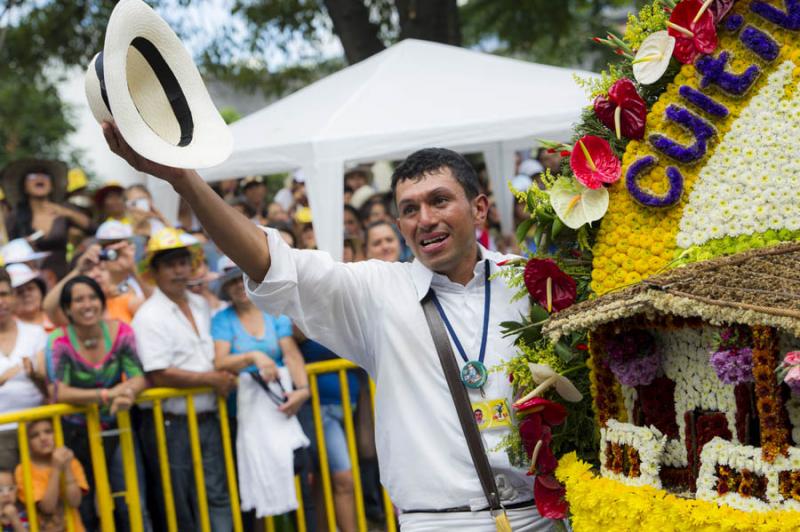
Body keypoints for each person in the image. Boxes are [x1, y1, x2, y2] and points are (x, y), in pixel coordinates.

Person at [103, 124, 549, 530]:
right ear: (399, 225)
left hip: (542, 515)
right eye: (409, 209)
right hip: (437, 522)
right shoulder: (378, 290)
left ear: (479, 208)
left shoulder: (535, 281)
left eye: (439, 200)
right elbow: (273, 264)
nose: (425, 219)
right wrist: (185, 180)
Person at [131, 228, 235, 532]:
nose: (179, 270)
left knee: (218, 492)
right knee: (180, 501)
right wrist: (212, 379)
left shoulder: (203, 303)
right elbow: (158, 372)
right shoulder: (149, 316)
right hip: (171, 422)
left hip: (209, 415)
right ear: (155, 271)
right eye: (170, 264)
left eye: (183, 262)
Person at [45, 275, 149, 531]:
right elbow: (59, 390)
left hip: (118, 424)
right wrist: (105, 395)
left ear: (102, 302)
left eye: (92, 297)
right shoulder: (59, 340)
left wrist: (127, 392)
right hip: (75, 433)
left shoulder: (122, 331)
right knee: (86, 507)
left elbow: (138, 376)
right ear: (67, 308)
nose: (87, 304)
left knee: (133, 502)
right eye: (78, 300)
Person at [212, 256, 310, 518]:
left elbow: (290, 351)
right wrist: (253, 357)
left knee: (294, 471)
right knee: (254, 483)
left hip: (281, 405)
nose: (238, 286)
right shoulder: (222, 320)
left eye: (241, 278)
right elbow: (220, 360)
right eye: (231, 282)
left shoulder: (272, 312)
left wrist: (302, 389)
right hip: (240, 415)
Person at [3, 159, 91, 283]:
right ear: (24, 186)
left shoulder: (64, 210)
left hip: (62, 277)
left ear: (52, 185)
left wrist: (70, 214)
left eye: (45, 175)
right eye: (33, 175)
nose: (39, 178)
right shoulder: (15, 216)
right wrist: (21, 244)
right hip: (27, 281)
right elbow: (7, 249)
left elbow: (94, 229)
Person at [0, 267, 48, 471]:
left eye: (4, 294)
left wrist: (36, 376)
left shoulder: (36, 333)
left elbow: (51, 389)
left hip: (38, 433)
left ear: (13, 296)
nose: (1, 302)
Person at [15, 419, 88, 532]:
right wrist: (56, 468)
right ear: (27, 443)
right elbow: (48, 507)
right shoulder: (23, 469)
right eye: (35, 435)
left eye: (48, 432)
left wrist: (67, 467)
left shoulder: (71, 461)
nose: (43, 438)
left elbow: (75, 501)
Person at [7, 263, 53, 332]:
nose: (26, 294)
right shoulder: (5, 329)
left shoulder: (56, 318)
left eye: (30, 288)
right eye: (19, 292)